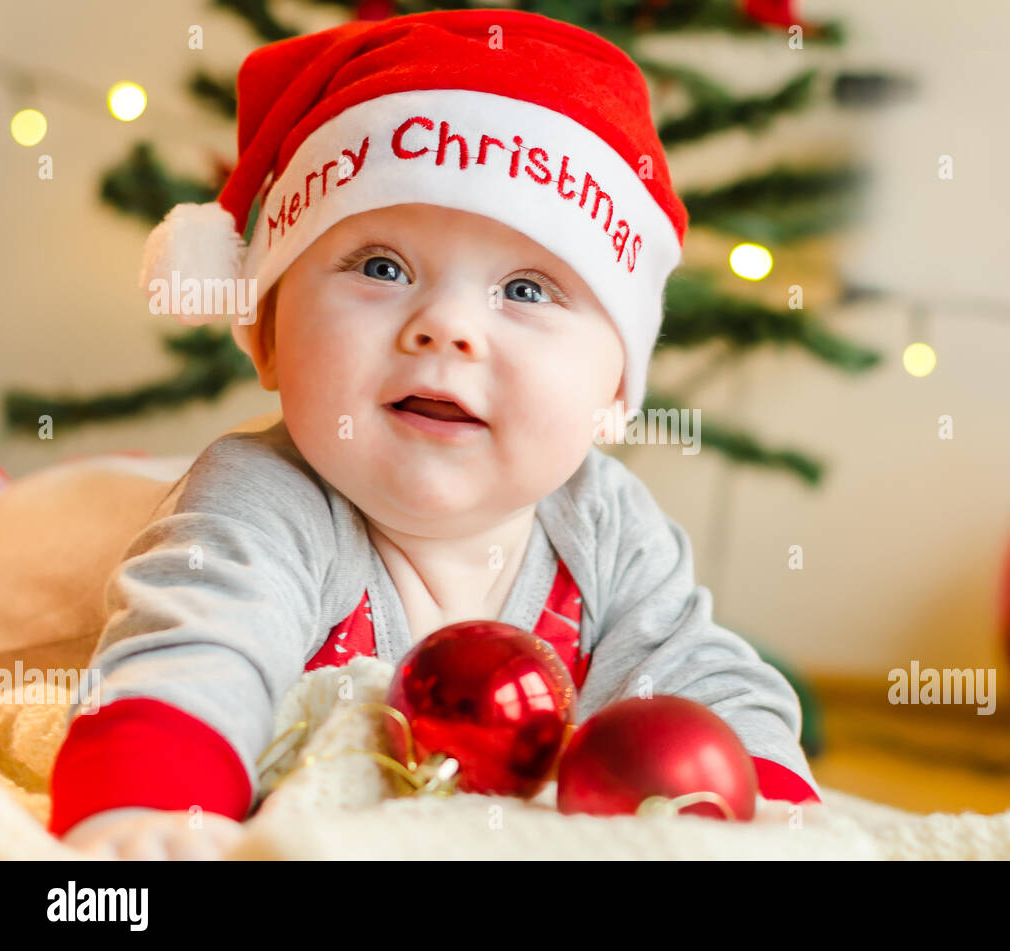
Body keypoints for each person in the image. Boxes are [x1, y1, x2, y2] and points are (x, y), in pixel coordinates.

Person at [49, 8, 821, 860]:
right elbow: (196, 646)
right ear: (265, 333)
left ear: (614, 392)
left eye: (527, 289)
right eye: (382, 267)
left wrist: (770, 810)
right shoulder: (262, 500)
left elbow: (702, 675)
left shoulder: (606, 526)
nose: (446, 326)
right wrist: (152, 808)